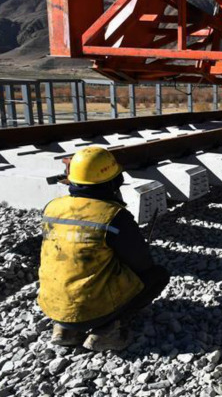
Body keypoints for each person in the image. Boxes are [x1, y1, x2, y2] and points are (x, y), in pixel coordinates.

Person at [38, 146, 170, 351]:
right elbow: (142, 264)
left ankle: (64, 329)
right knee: (157, 276)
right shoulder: (113, 216)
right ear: (114, 181)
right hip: (93, 309)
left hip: (52, 305)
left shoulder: (52, 207)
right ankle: (106, 330)